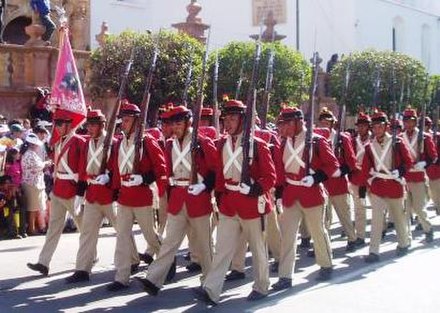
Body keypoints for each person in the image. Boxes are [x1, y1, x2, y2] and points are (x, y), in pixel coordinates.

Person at [192, 99, 276, 305]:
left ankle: (262, 286)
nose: (227, 123)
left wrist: (255, 188)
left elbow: (270, 176)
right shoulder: (221, 144)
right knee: (222, 249)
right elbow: (219, 174)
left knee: (258, 249)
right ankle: (211, 290)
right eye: (225, 119)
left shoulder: (258, 145)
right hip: (229, 203)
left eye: (232, 119)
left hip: (251, 203)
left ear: (243, 121)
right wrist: (219, 196)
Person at [139, 105, 217, 296]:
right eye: (172, 124)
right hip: (178, 199)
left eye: (178, 123)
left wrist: (205, 186)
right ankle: (153, 279)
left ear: (189, 122)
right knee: (169, 243)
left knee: (204, 246)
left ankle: (210, 283)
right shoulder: (169, 144)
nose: (175, 127)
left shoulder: (202, 142)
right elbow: (167, 172)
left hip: (198, 198)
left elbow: (216, 169)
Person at [271, 107, 339, 290]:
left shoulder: (316, 141)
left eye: (286, 124)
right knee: (287, 236)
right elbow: (279, 171)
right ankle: (285, 276)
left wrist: (316, 178)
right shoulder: (284, 143)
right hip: (291, 194)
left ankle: (326, 264)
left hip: (311, 193)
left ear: (297, 122)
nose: (282, 128)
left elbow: (332, 165)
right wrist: (278, 192)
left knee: (318, 231)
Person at [106, 102, 167, 292]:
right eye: (122, 120)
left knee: (150, 236)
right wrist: (115, 190)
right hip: (125, 195)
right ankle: (121, 277)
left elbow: (161, 168)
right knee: (122, 236)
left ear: (136, 121)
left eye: (127, 120)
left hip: (141, 195)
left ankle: (167, 259)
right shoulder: (120, 142)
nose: (123, 123)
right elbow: (116, 169)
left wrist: (143, 178)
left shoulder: (147, 141)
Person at [27, 109, 86, 276]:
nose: (57, 128)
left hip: (73, 191)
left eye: (60, 124)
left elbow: (83, 168)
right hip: (59, 189)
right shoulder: (59, 142)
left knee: (85, 229)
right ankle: (43, 262)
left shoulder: (79, 141)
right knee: (53, 228)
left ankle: (91, 255)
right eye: (56, 124)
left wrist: (81, 193)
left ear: (68, 124)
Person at [361, 110, 412, 263]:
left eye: (380, 126)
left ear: (386, 127)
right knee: (376, 220)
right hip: (378, 188)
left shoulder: (397, 142)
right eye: (374, 127)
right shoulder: (369, 147)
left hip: (394, 185)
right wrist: (370, 182)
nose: (377, 130)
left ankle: (403, 243)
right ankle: (373, 251)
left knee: (398, 218)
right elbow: (365, 169)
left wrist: (400, 171)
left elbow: (408, 163)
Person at [318, 107, 358, 251]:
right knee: (323, 219)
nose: (324, 124)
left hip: (339, 184)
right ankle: (324, 245)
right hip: (323, 184)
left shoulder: (342, 138)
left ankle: (352, 239)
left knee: (344, 216)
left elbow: (352, 162)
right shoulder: (316, 139)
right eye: (322, 122)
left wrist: (341, 172)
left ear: (332, 123)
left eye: (327, 122)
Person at [401, 107, 437, 242]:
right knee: (405, 210)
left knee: (419, 208)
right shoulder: (399, 138)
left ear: (416, 122)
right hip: (404, 178)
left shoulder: (425, 137)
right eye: (406, 121)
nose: (409, 124)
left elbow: (433, 156)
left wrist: (424, 163)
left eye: (411, 121)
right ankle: (406, 237)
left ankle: (428, 229)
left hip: (419, 177)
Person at [349, 112, 372, 245]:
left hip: (372, 178)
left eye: (364, 126)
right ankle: (361, 235)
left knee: (378, 206)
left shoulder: (374, 140)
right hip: (357, 178)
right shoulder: (352, 140)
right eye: (359, 126)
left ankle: (383, 227)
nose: (361, 128)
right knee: (359, 208)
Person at [21, 133, 50, 236]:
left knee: (35, 207)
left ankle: (33, 227)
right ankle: (31, 229)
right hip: (32, 183)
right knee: (33, 208)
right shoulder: (29, 154)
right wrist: (46, 163)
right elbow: (37, 167)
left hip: (34, 182)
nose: (38, 146)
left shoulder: (30, 153)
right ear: (32, 145)